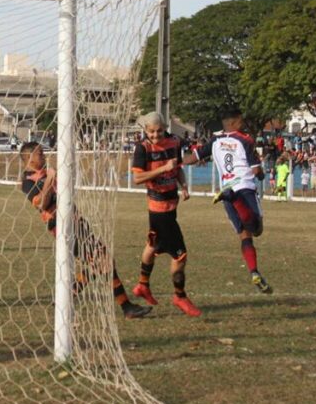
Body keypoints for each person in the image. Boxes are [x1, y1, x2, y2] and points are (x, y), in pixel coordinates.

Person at [18, 142, 151, 319]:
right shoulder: (28, 181)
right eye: (40, 153)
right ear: (28, 158)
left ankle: (68, 296)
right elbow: (42, 203)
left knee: (103, 262)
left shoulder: (46, 173)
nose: (44, 156)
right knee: (104, 261)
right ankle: (126, 308)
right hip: (63, 228)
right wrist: (50, 179)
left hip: (77, 223)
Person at [182, 107, 274, 294]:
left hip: (227, 188)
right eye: (241, 121)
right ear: (233, 122)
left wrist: (175, 159)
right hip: (244, 188)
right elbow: (256, 170)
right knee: (256, 229)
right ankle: (234, 199)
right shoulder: (246, 140)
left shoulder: (215, 141)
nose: (243, 123)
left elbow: (191, 159)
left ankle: (255, 272)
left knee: (244, 235)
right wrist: (263, 174)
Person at [129, 113, 200, 317]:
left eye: (159, 130)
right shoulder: (143, 147)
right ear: (146, 130)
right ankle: (180, 296)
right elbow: (137, 178)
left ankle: (142, 285)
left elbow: (177, 168)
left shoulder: (174, 142)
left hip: (171, 204)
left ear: (165, 127)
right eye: (151, 131)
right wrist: (161, 169)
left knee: (152, 245)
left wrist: (184, 185)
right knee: (180, 255)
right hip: (159, 208)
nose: (156, 135)